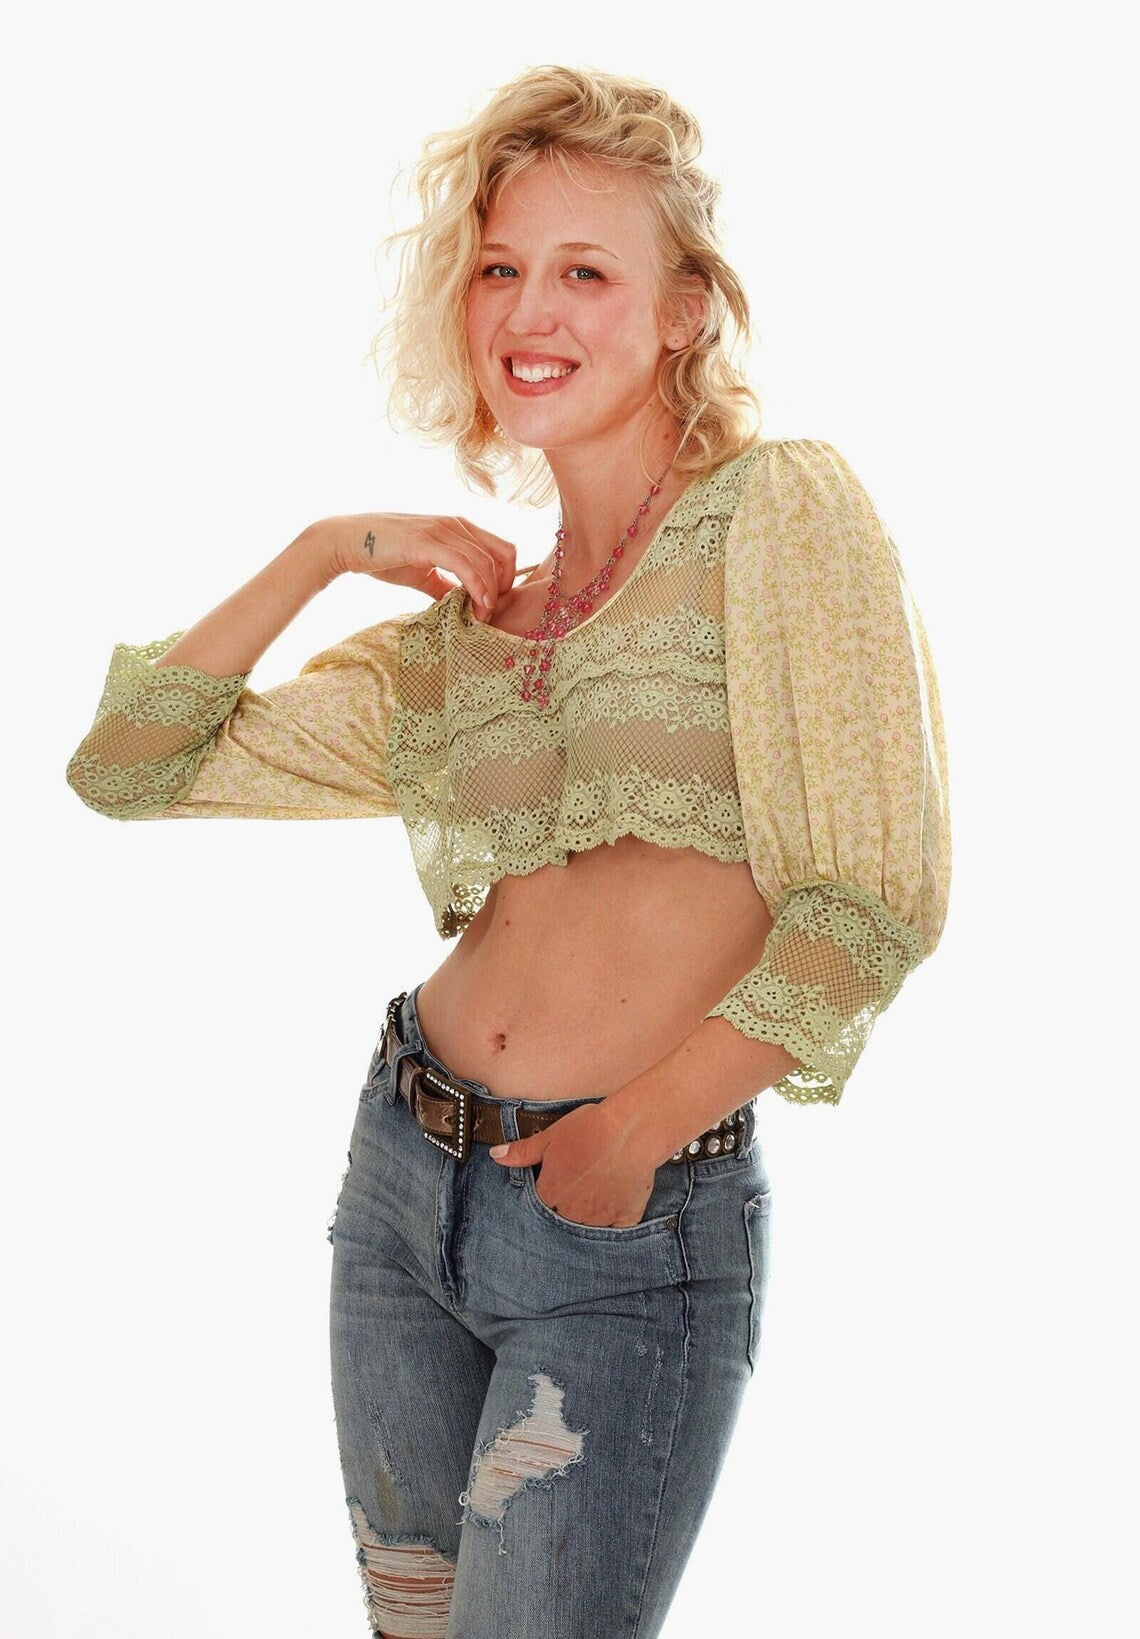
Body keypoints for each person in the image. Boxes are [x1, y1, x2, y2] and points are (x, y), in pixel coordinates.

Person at [65, 64, 951, 1639]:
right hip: (401, 1193)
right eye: (498, 268)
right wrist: (328, 551)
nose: (528, 313)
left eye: (585, 272)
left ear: (683, 311)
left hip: (622, 1226)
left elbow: (874, 897)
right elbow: (129, 767)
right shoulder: (467, 641)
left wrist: (636, 1134)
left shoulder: (779, 518)